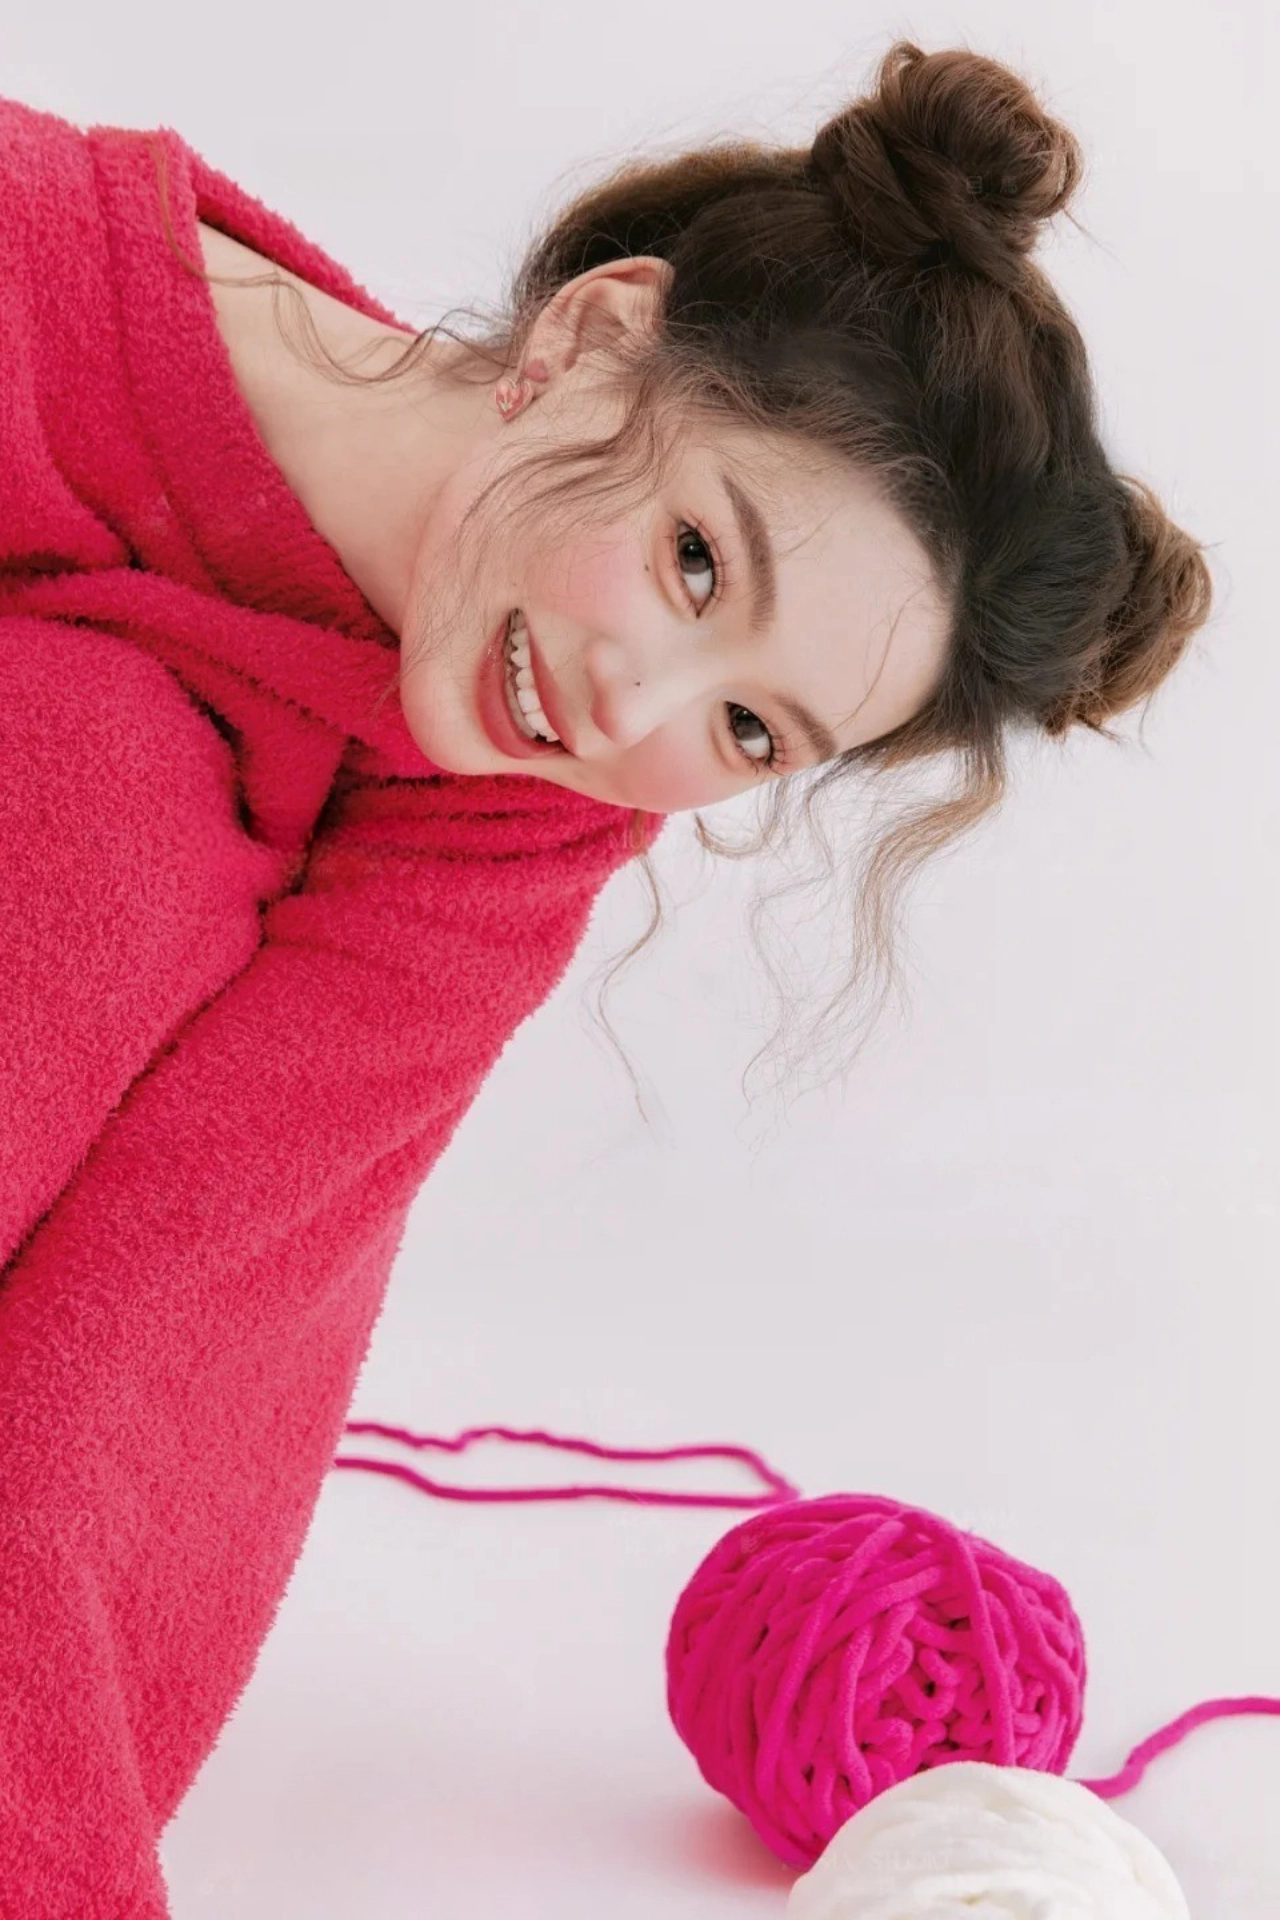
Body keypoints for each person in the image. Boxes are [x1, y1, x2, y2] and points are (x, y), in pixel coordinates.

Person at [0, 39, 1210, 1917]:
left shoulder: (532, 798)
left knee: (104, 813)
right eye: (697, 559)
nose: (630, 708)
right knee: (87, 776)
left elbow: (156, 1316)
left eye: (751, 728)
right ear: (590, 336)